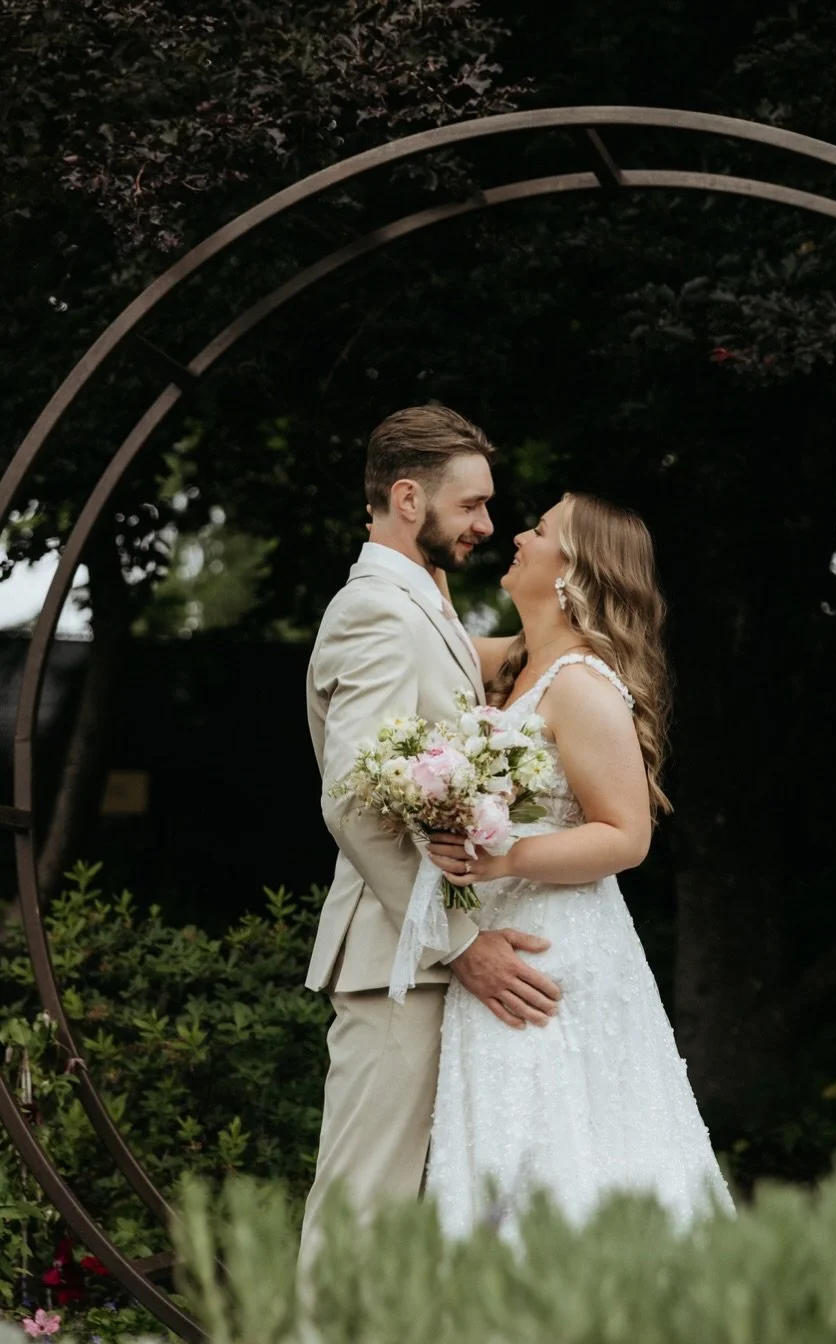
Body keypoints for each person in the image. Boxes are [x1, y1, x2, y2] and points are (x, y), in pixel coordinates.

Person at [422, 492, 735, 1238]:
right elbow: (427, 636)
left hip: (554, 949)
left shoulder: (583, 685)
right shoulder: (519, 663)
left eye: (539, 530)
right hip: (497, 937)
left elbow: (626, 837)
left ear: (575, 573)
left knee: (552, 1150)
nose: (518, 538)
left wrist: (498, 862)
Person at [298, 406, 562, 1271]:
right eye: (473, 505)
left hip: (423, 955)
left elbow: (497, 660)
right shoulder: (375, 611)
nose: (488, 524)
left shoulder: (427, 604)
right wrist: (462, 943)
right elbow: (352, 800)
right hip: (397, 956)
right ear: (408, 498)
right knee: (363, 1209)